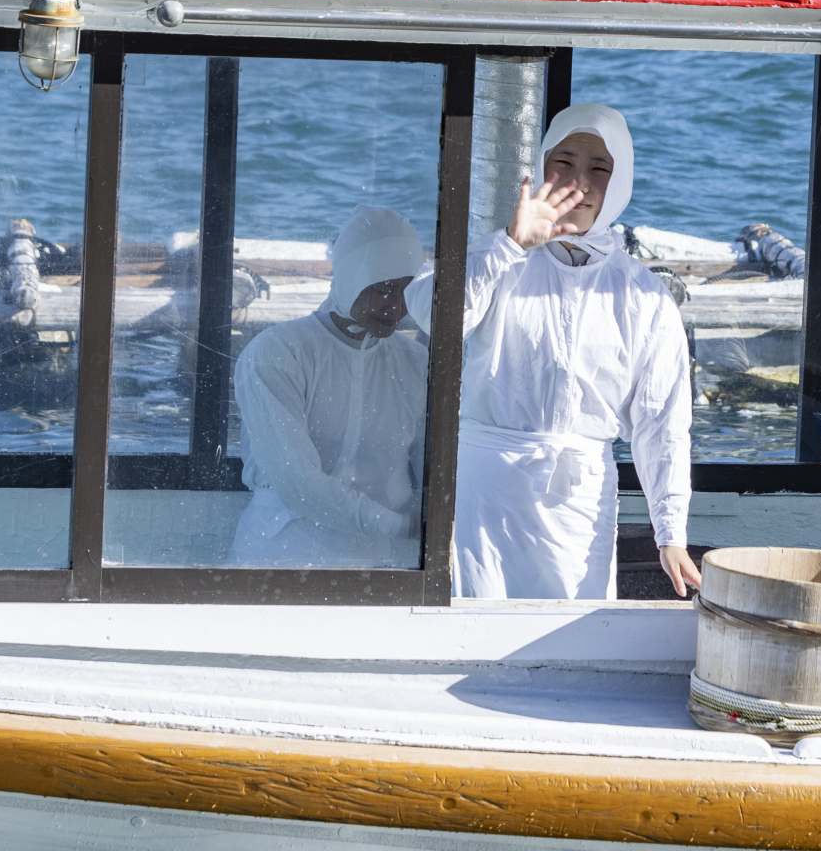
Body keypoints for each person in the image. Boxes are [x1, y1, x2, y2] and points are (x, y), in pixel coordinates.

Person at [409, 103, 698, 600]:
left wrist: (670, 532)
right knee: (471, 630)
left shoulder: (642, 294)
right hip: (483, 491)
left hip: (577, 499)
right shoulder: (497, 258)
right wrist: (510, 244)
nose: (577, 184)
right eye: (562, 163)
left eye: (599, 169)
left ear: (621, 181)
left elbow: (662, 423)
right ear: (540, 166)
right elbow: (433, 317)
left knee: (567, 635)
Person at [231, 207, 428, 569]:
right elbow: (299, 483)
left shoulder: (415, 363)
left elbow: (434, 468)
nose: (397, 306)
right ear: (351, 277)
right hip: (282, 556)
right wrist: (402, 527)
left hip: (382, 563)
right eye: (384, 289)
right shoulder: (277, 353)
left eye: (407, 290)